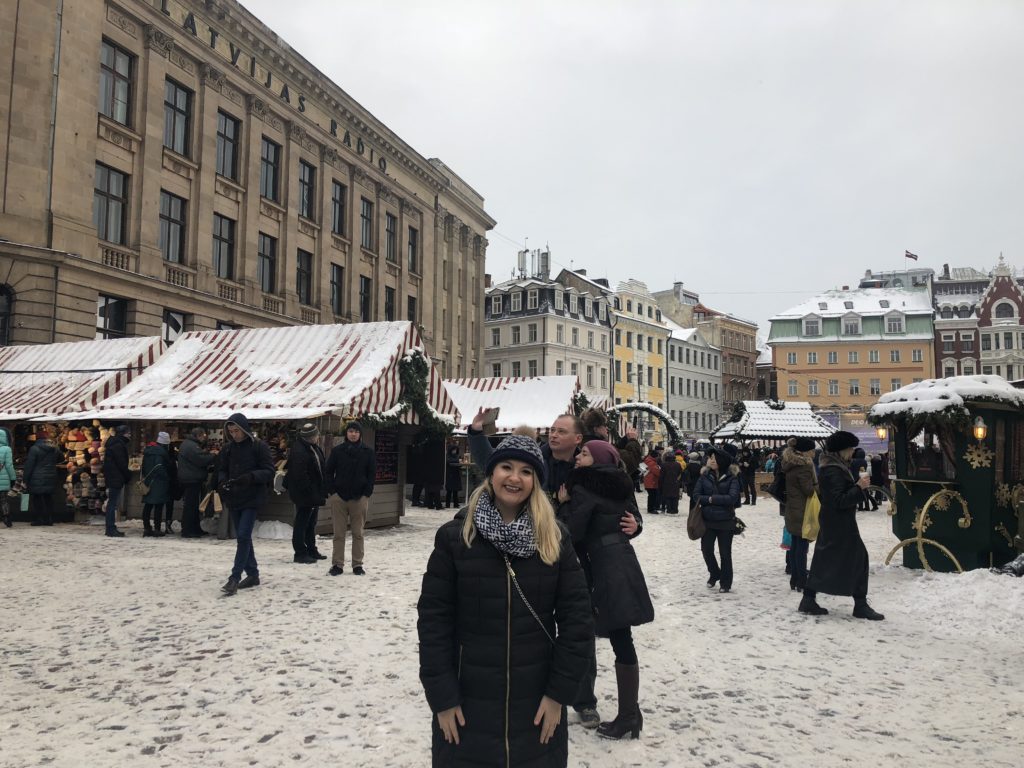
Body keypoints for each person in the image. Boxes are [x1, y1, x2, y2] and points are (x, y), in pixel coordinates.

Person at [416, 434, 594, 766]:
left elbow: (578, 622)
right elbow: (434, 622)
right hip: (467, 707)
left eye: (526, 471)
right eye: (506, 467)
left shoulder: (554, 539)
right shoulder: (456, 538)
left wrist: (559, 694)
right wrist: (441, 697)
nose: (514, 478)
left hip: (538, 706)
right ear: (491, 472)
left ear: (536, 481)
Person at [466, 410, 598, 727]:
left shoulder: (590, 467)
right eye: (551, 430)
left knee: (577, 628)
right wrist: (475, 432)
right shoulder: (539, 459)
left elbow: (616, 504)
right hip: (532, 550)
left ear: (578, 438)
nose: (553, 435)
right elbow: (496, 465)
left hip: (578, 557)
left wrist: (633, 525)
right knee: (529, 628)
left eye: (560, 431)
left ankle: (583, 698)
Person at [557, 440, 653, 740]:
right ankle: (630, 714)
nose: (578, 456)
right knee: (622, 635)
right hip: (621, 560)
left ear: (598, 459)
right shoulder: (618, 484)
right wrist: (634, 525)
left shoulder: (583, 488)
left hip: (601, 566)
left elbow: (571, 530)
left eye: (584, 454)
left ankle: (627, 716)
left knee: (616, 636)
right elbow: (627, 518)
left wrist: (562, 503)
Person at [799, 431, 884, 620]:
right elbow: (839, 500)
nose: (852, 452)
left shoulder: (833, 467)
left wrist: (855, 486)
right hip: (839, 524)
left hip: (833, 522)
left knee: (824, 559)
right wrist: (859, 487)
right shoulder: (833, 470)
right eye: (850, 449)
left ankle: (808, 598)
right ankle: (860, 605)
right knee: (859, 559)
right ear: (841, 450)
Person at [218, 413, 275, 595]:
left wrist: (251, 477)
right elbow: (221, 469)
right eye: (231, 431)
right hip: (234, 497)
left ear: (244, 429)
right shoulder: (228, 449)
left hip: (252, 497)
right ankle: (252, 573)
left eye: (237, 431)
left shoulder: (259, 447)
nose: (234, 434)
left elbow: (268, 471)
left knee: (243, 535)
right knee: (244, 537)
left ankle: (234, 577)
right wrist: (222, 483)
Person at [324, 421, 376, 577]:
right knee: (338, 534)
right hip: (339, 497)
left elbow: (371, 475)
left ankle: (357, 564)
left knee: (358, 533)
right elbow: (328, 472)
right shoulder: (337, 451)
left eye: (356, 431)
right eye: (350, 431)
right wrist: (332, 492)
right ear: (346, 433)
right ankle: (337, 564)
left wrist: (366, 493)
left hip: (359, 498)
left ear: (360, 434)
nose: (353, 434)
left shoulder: (368, 452)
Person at [692, 444, 741, 593]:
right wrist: (713, 500)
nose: (711, 460)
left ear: (722, 460)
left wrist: (711, 499)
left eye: (714, 458)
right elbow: (696, 495)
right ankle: (715, 573)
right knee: (706, 550)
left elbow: (732, 498)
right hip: (707, 520)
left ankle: (726, 583)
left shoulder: (732, 477)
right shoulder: (704, 475)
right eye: (710, 458)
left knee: (725, 553)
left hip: (725, 521)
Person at [286, 423, 328, 564]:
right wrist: (311, 492)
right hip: (305, 494)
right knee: (302, 523)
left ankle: (311, 549)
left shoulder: (312, 448)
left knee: (311, 522)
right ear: (311, 436)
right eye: (316, 435)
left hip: (313, 492)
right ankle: (300, 552)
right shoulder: (300, 451)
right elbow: (300, 476)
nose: (318, 437)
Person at [781, 437, 817, 592]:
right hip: (802, 511)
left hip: (792, 510)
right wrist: (819, 485)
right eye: (812, 450)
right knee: (801, 548)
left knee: (795, 547)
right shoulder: (803, 466)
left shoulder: (791, 464)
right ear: (805, 452)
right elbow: (809, 490)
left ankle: (795, 580)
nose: (814, 452)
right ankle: (802, 581)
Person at [178, 427, 216, 538]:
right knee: (191, 506)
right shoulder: (191, 446)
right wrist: (213, 455)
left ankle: (194, 528)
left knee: (193, 506)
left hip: (190, 478)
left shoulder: (188, 444)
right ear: (198, 435)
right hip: (191, 479)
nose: (204, 438)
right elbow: (201, 459)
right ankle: (188, 530)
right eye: (203, 436)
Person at [140, 432, 174, 537]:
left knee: (148, 505)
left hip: (148, 481)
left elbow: (144, 466)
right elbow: (159, 466)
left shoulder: (148, 450)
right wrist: (166, 477)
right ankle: (157, 528)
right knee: (158, 505)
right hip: (159, 482)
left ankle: (146, 527)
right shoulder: (161, 452)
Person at [24, 430, 60, 526]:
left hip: (37, 476)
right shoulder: (54, 448)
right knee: (48, 498)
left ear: (37, 438)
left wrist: (25, 478)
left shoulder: (34, 448)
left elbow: (29, 465)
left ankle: (39, 519)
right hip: (51, 476)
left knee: (37, 498)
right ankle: (49, 519)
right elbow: (62, 458)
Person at [102, 424, 131, 537]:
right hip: (115, 477)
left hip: (112, 476)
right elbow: (122, 463)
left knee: (112, 503)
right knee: (112, 504)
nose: (130, 435)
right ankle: (110, 528)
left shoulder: (114, 443)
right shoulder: (118, 445)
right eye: (128, 433)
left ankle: (110, 527)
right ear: (123, 433)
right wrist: (127, 475)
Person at [0, 427, 17, 527]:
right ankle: (6, 517)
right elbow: (9, 465)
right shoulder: (7, 449)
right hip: (3, 478)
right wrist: (12, 478)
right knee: (3, 500)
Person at [658, 450, 683, 515]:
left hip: (666, 483)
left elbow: (661, 475)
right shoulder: (678, 464)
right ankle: (675, 510)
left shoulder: (664, 464)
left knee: (668, 496)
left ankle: (669, 509)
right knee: (675, 497)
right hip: (675, 482)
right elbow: (680, 473)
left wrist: (660, 483)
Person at [444, 444, 463, 508]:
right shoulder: (448, 456)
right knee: (449, 491)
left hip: (456, 475)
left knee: (455, 491)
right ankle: (447, 504)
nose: (454, 451)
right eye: (453, 450)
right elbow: (449, 462)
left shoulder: (457, 456)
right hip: (450, 475)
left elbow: (459, 464)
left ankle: (456, 504)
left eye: (455, 450)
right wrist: (458, 461)